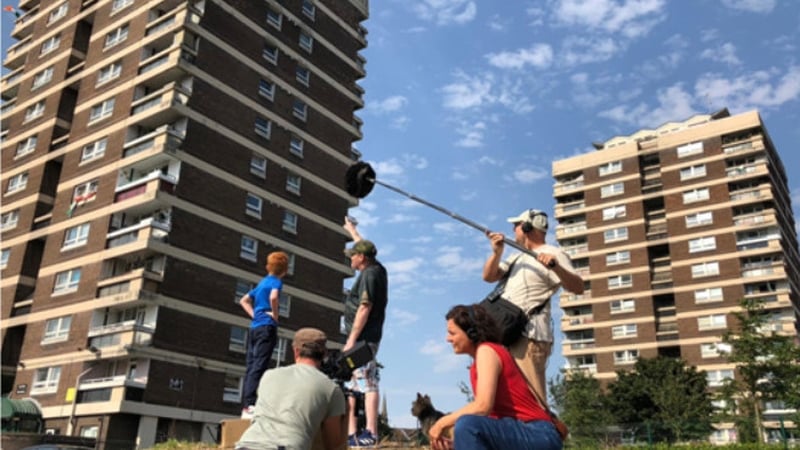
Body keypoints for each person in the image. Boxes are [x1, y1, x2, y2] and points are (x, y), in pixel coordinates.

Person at [482, 209, 583, 408]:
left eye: (517, 225)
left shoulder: (554, 253)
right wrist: (496, 252)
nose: (513, 230)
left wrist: (555, 267)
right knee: (510, 397)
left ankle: (543, 435)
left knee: (532, 399)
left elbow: (578, 287)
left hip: (530, 337)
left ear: (528, 228)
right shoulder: (517, 257)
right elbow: (489, 277)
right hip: (508, 333)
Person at [429, 304, 562, 450]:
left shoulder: (487, 351)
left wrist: (441, 423)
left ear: (472, 333)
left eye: (452, 333)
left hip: (537, 432)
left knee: (467, 425)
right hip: (522, 434)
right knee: (467, 429)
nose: (448, 339)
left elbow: (482, 406)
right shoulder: (477, 364)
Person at [236, 327, 348, 450]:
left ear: (296, 351)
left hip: (246, 444)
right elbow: (333, 444)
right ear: (324, 354)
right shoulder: (331, 389)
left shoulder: (269, 375)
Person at [342, 216, 388, 448]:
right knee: (352, 384)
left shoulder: (370, 275)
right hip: (360, 338)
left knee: (367, 382)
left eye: (353, 255)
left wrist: (351, 340)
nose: (350, 259)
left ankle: (370, 432)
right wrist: (352, 230)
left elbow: (365, 307)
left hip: (363, 339)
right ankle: (352, 434)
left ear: (361, 258)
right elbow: (363, 244)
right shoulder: (375, 267)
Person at [239, 251, 289, 418]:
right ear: (284, 270)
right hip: (267, 327)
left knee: (251, 365)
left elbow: (243, 300)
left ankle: (247, 404)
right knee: (260, 364)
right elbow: (274, 297)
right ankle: (251, 404)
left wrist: (255, 315)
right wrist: (275, 315)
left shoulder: (261, 283)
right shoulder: (276, 282)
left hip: (254, 327)